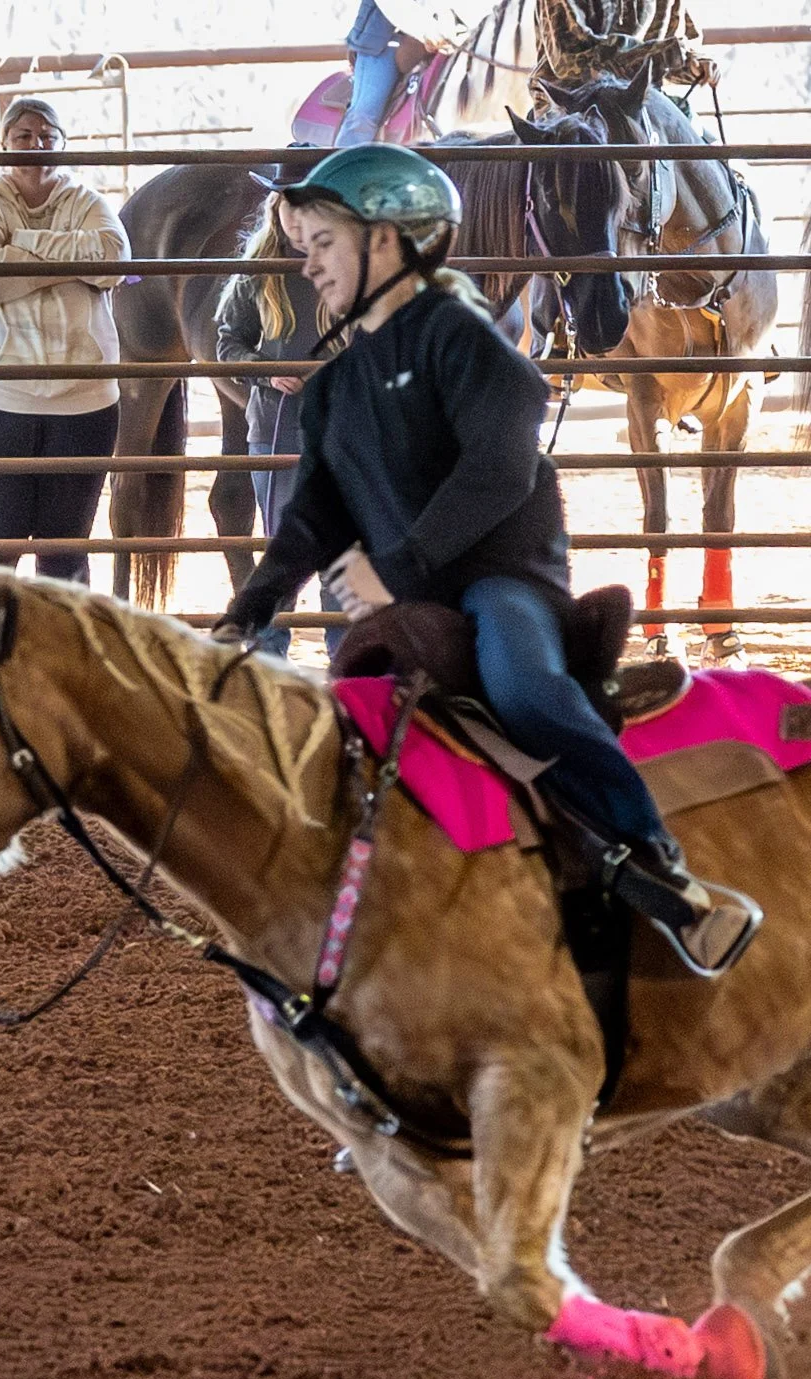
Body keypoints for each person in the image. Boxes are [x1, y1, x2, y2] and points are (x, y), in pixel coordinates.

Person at [211, 144, 757, 974]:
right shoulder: (334, 386)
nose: (308, 261)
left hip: (500, 579)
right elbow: (312, 515)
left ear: (389, 244)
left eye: (325, 242)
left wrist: (393, 567)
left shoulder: (470, 343)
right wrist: (249, 608)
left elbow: (497, 472)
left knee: (525, 692)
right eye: (308, 243)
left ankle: (664, 870)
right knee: (346, 731)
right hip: (412, 591)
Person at [0, 96, 131, 585]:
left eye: (48, 136)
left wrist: (21, 245)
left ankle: (64, 658)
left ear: (63, 144)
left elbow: (113, 259)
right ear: (5, 144)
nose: (37, 144)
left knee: (66, 554)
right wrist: (72, 260)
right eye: (25, 136)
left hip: (83, 399)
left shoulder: (88, 201)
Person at [216, 181, 336, 654]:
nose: (300, 216)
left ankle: (345, 650)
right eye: (292, 204)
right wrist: (267, 373)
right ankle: (270, 653)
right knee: (282, 546)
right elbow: (229, 341)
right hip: (277, 426)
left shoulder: (346, 263)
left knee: (343, 550)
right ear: (277, 206)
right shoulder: (257, 273)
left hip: (335, 426)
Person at [338, 2, 461, 145]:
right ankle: (344, 162)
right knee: (364, 114)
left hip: (440, 42)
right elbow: (394, 6)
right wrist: (427, 30)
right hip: (382, 44)